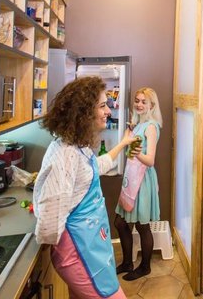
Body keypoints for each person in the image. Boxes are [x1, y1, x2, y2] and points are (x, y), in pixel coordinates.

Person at [33, 76, 142, 299]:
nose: (108, 111)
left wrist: (122, 143)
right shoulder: (65, 154)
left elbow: (95, 167)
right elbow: (50, 219)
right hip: (77, 249)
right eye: (102, 106)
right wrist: (45, 254)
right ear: (83, 112)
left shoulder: (77, 146)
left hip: (88, 244)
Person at [114, 87, 163, 281]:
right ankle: (127, 263)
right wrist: (129, 133)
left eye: (144, 102)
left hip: (142, 181)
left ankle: (145, 267)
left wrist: (136, 153)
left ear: (152, 105)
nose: (139, 104)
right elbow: (128, 146)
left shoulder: (151, 127)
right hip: (131, 178)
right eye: (137, 101)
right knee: (120, 222)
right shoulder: (137, 125)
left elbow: (150, 160)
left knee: (142, 226)